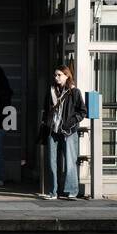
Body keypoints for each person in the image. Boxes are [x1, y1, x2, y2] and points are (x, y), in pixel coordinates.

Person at [37, 66, 87, 201]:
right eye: (55, 75)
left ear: (67, 76)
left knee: (70, 161)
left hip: (68, 131)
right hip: (53, 130)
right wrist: (45, 125)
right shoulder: (51, 91)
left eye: (59, 75)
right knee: (52, 161)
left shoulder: (74, 92)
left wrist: (70, 123)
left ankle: (71, 191)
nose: (56, 77)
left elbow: (82, 112)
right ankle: (53, 191)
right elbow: (45, 111)